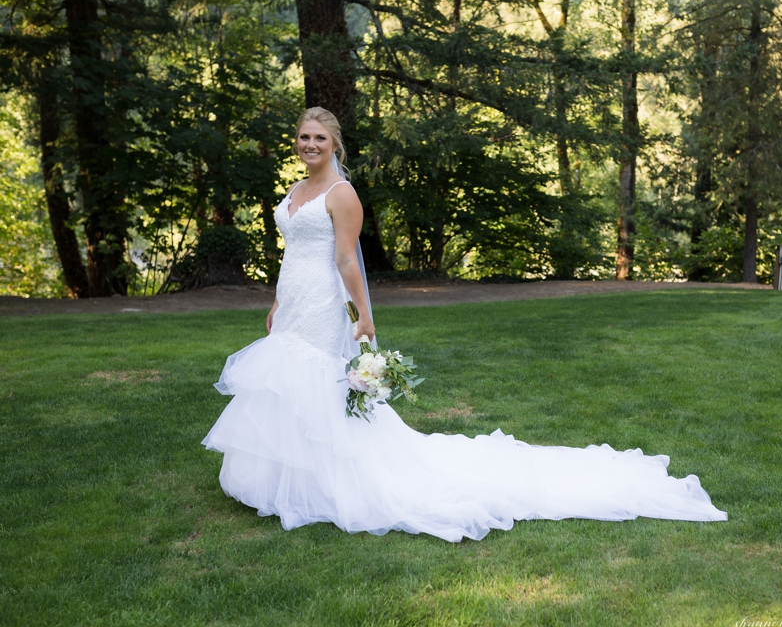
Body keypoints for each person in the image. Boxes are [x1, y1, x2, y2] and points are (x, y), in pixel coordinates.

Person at [203, 109, 725, 542]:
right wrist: (275, 302)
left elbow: (345, 260)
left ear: (335, 143)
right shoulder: (294, 189)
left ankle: (323, 481)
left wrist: (364, 314)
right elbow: (292, 252)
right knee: (284, 383)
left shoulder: (341, 194)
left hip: (322, 304)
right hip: (292, 301)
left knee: (315, 383)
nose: (309, 144)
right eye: (303, 137)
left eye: (319, 137)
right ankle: (285, 477)